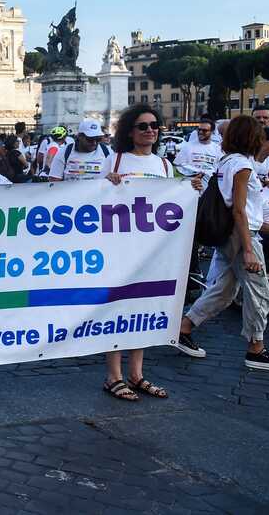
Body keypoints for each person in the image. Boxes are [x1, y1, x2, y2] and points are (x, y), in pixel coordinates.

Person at [176, 115, 269, 371]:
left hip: (231, 234)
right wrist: (248, 249)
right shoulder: (242, 167)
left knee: (224, 291)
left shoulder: (228, 161)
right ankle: (256, 347)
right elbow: (239, 210)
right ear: (253, 139)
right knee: (259, 293)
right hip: (241, 235)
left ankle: (184, 327)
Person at [99, 104, 179, 401]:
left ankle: (136, 373)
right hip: (119, 247)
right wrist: (107, 185)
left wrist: (190, 188)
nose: (151, 130)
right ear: (130, 131)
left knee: (142, 308)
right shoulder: (115, 160)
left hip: (152, 249)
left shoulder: (165, 166)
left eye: (155, 125)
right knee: (117, 308)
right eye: (143, 126)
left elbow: (173, 202)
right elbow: (91, 199)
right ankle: (114, 375)